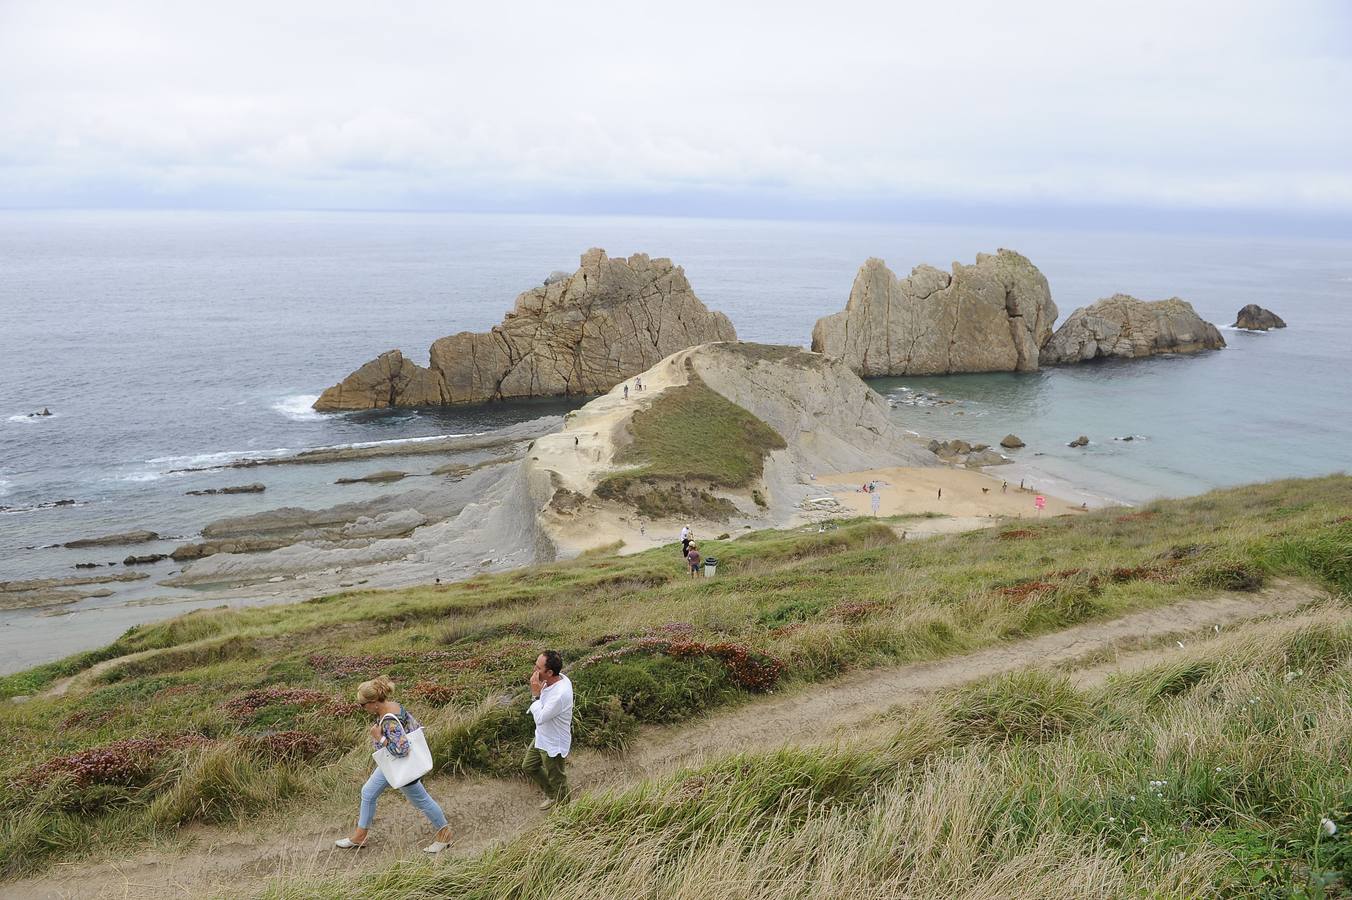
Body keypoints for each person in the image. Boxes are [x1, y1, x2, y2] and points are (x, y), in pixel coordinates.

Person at [334, 676, 453, 853]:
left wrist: (379, 738)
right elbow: (415, 726)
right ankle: (360, 836)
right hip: (392, 764)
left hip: (403, 766)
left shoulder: (389, 720)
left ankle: (445, 836)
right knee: (368, 792)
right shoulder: (393, 706)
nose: (362, 708)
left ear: (374, 702)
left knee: (422, 801)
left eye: (363, 704)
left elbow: (402, 749)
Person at [523, 650, 573, 810]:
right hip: (541, 737)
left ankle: (566, 809)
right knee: (529, 766)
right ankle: (552, 795)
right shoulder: (557, 679)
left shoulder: (559, 695)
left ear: (550, 672)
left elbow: (540, 717)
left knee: (557, 778)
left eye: (538, 668)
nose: (534, 671)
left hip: (553, 743)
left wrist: (535, 695)